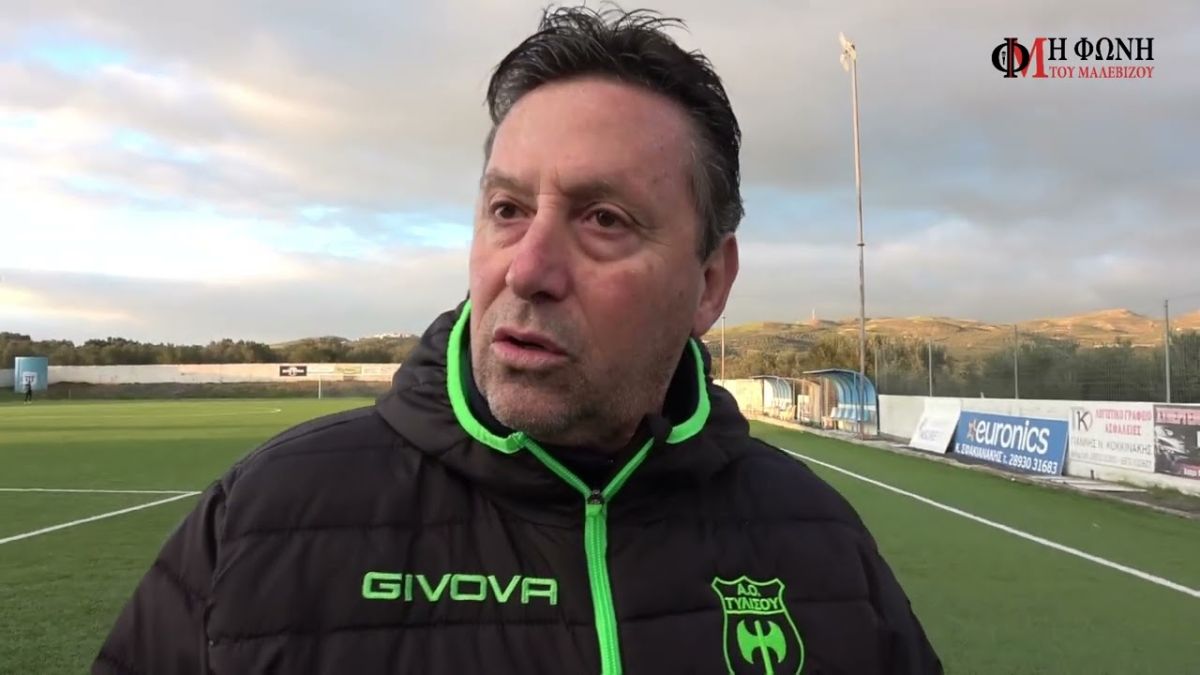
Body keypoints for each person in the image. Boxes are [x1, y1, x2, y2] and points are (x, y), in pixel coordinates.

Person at [93, 6, 941, 674]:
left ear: (710, 282)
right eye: (507, 209)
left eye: (604, 219)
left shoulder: (823, 547)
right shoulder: (263, 517)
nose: (527, 268)